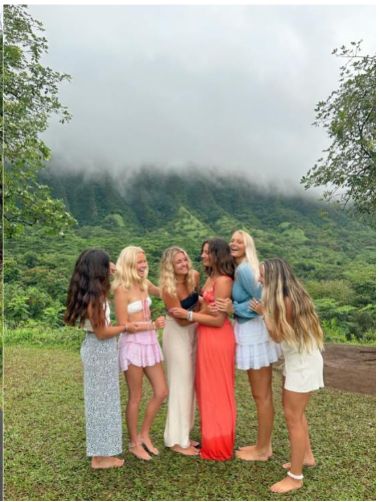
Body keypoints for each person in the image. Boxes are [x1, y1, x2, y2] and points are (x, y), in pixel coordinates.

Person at [251, 258, 324, 494]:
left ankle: (295, 477)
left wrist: (264, 314)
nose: (259, 279)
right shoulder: (290, 296)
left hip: (302, 365)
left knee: (293, 418)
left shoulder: (285, 301)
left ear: (273, 278)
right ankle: (307, 457)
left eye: (262, 275)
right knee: (296, 415)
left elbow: (277, 336)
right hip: (299, 361)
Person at [64, 249, 139, 469]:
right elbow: (102, 332)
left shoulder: (91, 292)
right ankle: (100, 457)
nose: (112, 267)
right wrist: (126, 327)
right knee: (101, 403)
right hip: (99, 349)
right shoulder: (95, 298)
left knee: (103, 401)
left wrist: (114, 269)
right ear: (100, 269)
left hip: (99, 350)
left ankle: (102, 452)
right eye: (107, 265)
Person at [215, 230, 281, 461]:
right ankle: (263, 444)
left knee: (261, 395)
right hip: (248, 330)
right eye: (232, 240)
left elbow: (265, 299)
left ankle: (263, 449)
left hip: (254, 332)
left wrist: (236, 309)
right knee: (260, 394)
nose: (234, 243)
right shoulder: (239, 268)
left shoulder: (244, 269)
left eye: (239, 241)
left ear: (247, 246)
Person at [170, 238, 236, 461]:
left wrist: (187, 314)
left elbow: (218, 320)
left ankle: (219, 445)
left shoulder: (224, 280)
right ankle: (211, 437)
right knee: (206, 389)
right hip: (204, 335)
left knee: (217, 389)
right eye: (203, 252)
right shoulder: (209, 277)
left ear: (218, 254)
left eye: (207, 252)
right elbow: (205, 306)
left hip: (217, 337)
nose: (203, 256)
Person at [112, 246, 167, 461]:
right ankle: (134, 442)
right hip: (133, 344)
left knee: (161, 391)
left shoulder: (145, 284)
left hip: (150, 342)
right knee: (136, 395)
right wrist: (152, 325)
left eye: (144, 262)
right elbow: (123, 324)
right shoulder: (120, 289)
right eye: (139, 263)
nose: (144, 266)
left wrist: (181, 281)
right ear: (129, 265)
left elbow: (163, 291)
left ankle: (145, 434)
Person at [159, 246, 200, 456]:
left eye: (185, 260)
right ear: (170, 266)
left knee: (190, 385)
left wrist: (196, 313)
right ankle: (174, 440)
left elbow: (197, 306)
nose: (184, 264)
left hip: (194, 331)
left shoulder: (194, 276)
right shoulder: (168, 288)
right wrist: (200, 314)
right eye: (178, 262)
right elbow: (181, 322)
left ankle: (185, 434)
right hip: (176, 334)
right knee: (179, 385)